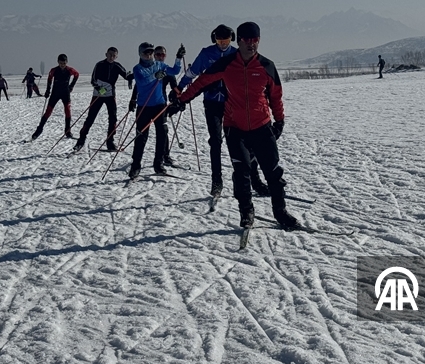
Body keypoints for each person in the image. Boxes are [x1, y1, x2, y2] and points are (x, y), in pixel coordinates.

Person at [177, 21, 300, 230]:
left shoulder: (266, 66)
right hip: (235, 127)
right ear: (240, 41)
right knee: (241, 172)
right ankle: (246, 212)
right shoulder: (226, 64)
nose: (252, 44)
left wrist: (279, 121)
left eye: (256, 40)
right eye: (247, 40)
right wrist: (181, 99)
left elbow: (276, 96)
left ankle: (281, 213)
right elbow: (201, 82)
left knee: (273, 172)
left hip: (262, 125)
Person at [179, 24, 270, 199]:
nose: (222, 44)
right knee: (215, 141)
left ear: (232, 39)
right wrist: (179, 89)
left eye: (226, 41)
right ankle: (217, 181)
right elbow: (192, 73)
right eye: (219, 41)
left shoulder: (237, 54)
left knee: (246, 142)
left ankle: (255, 180)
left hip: (232, 104)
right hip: (212, 102)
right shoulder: (206, 53)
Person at [128, 42, 184, 178]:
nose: (149, 55)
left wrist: (178, 58)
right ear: (140, 54)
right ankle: (135, 166)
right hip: (144, 106)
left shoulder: (160, 65)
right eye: (145, 52)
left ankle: (158, 164)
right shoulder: (137, 68)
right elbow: (142, 81)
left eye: (150, 52)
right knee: (141, 137)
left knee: (162, 135)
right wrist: (155, 76)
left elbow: (175, 71)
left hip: (160, 105)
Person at [73, 47, 133, 153]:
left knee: (113, 118)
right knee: (90, 118)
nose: (111, 57)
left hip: (110, 95)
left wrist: (134, 75)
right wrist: (98, 88)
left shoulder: (117, 66)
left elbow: (126, 76)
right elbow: (93, 80)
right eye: (110, 54)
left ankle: (110, 141)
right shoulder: (99, 65)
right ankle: (81, 141)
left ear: (116, 56)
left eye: (114, 55)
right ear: (106, 54)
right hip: (98, 95)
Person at [31, 54, 79, 141]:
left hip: (65, 93)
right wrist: (47, 90)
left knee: (67, 111)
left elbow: (77, 74)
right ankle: (39, 130)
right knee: (48, 111)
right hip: (55, 93)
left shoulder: (70, 70)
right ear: (58, 62)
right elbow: (49, 79)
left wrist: (71, 86)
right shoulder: (54, 70)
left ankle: (67, 131)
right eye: (60, 63)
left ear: (66, 62)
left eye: (64, 63)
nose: (62, 65)